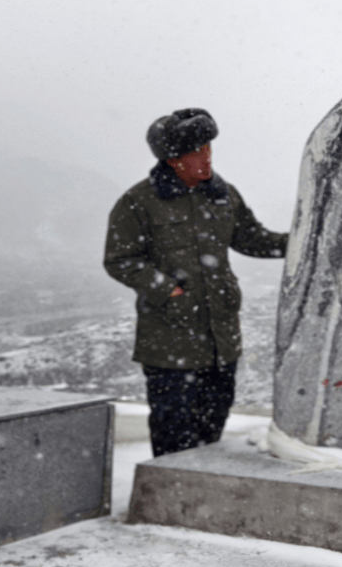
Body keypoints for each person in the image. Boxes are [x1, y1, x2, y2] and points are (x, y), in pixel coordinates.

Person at [104, 108, 288, 457]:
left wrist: (297, 243)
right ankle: (166, 507)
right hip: (169, 342)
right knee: (174, 435)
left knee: (212, 429)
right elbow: (119, 259)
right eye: (196, 152)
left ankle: (202, 502)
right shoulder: (139, 202)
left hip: (221, 342)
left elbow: (251, 238)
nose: (206, 158)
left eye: (208, 149)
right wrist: (166, 288)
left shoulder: (223, 195)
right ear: (173, 160)